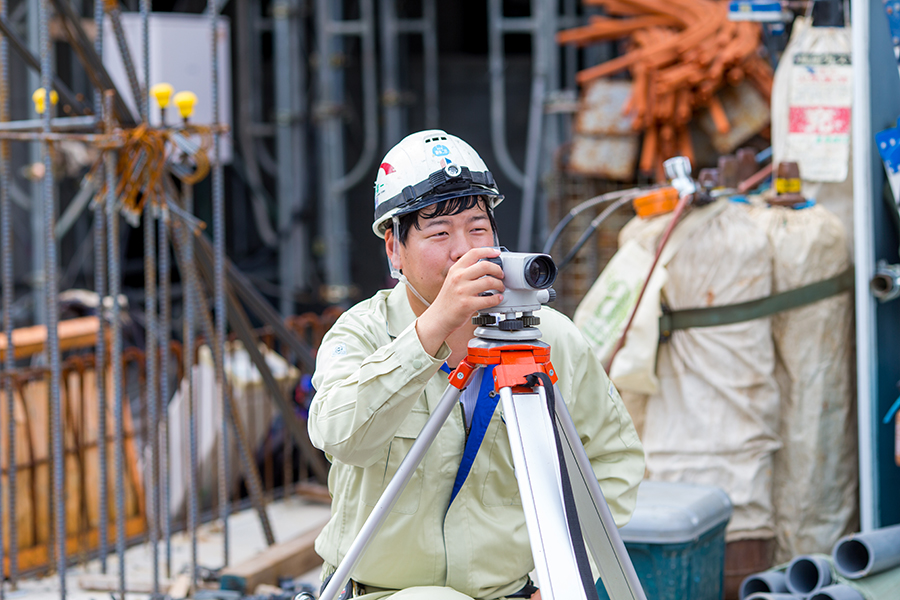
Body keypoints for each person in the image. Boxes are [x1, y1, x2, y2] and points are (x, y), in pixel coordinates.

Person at [308, 130, 645, 600]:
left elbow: (612, 458)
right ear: (394, 248)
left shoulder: (547, 337)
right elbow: (340, 437)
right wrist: (435, 327)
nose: (463, 249)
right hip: (379, 592)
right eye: (439, 233)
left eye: (477, 228)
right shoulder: (362, 332)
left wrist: (564, 575)